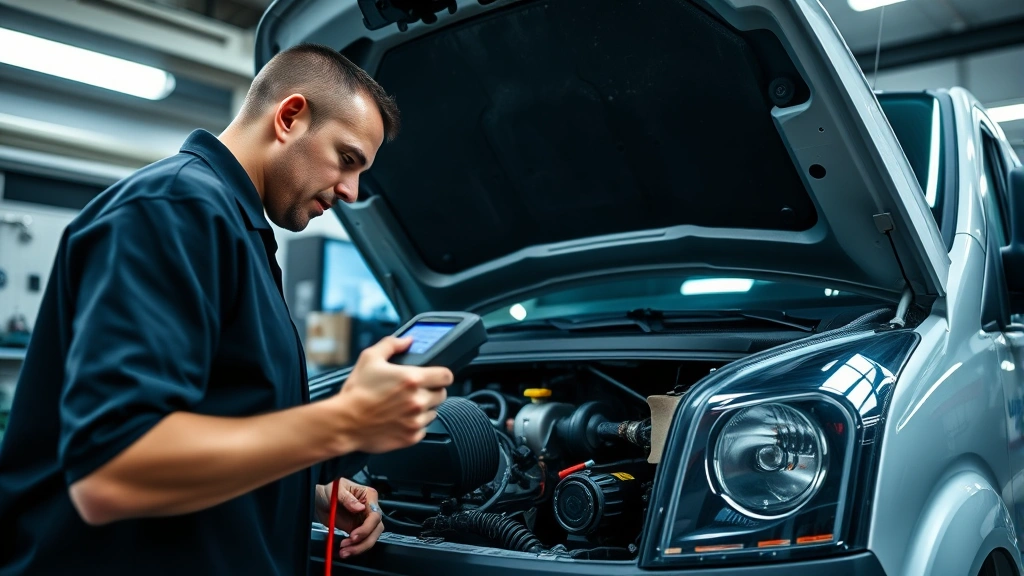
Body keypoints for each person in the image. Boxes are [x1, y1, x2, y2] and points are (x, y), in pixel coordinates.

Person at [0, 44, 452, 575]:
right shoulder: (175, 210)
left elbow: (214, 421)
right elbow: (114, 472)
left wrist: (303, 488)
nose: (352, 192)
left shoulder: (240, 234)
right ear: (290, 117)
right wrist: (345, 422)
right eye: (347, 159)